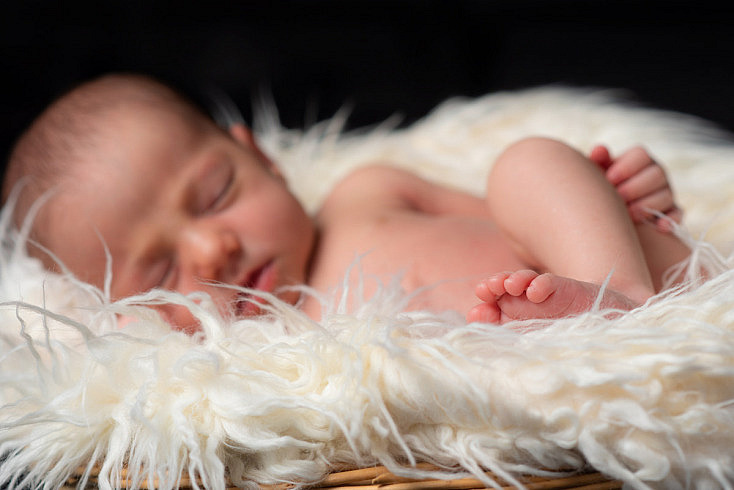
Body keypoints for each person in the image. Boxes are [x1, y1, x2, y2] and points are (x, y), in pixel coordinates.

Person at [1, 73, 690, 333]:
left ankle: (617, 292)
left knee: (526, 162)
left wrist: (615, 199)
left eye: (216, 195)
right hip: (536, 370)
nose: (213, 250)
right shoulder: (262, 366)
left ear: (262, 158)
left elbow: (520, 210)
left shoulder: (365, 191)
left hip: (629, 283)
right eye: (157, 276)